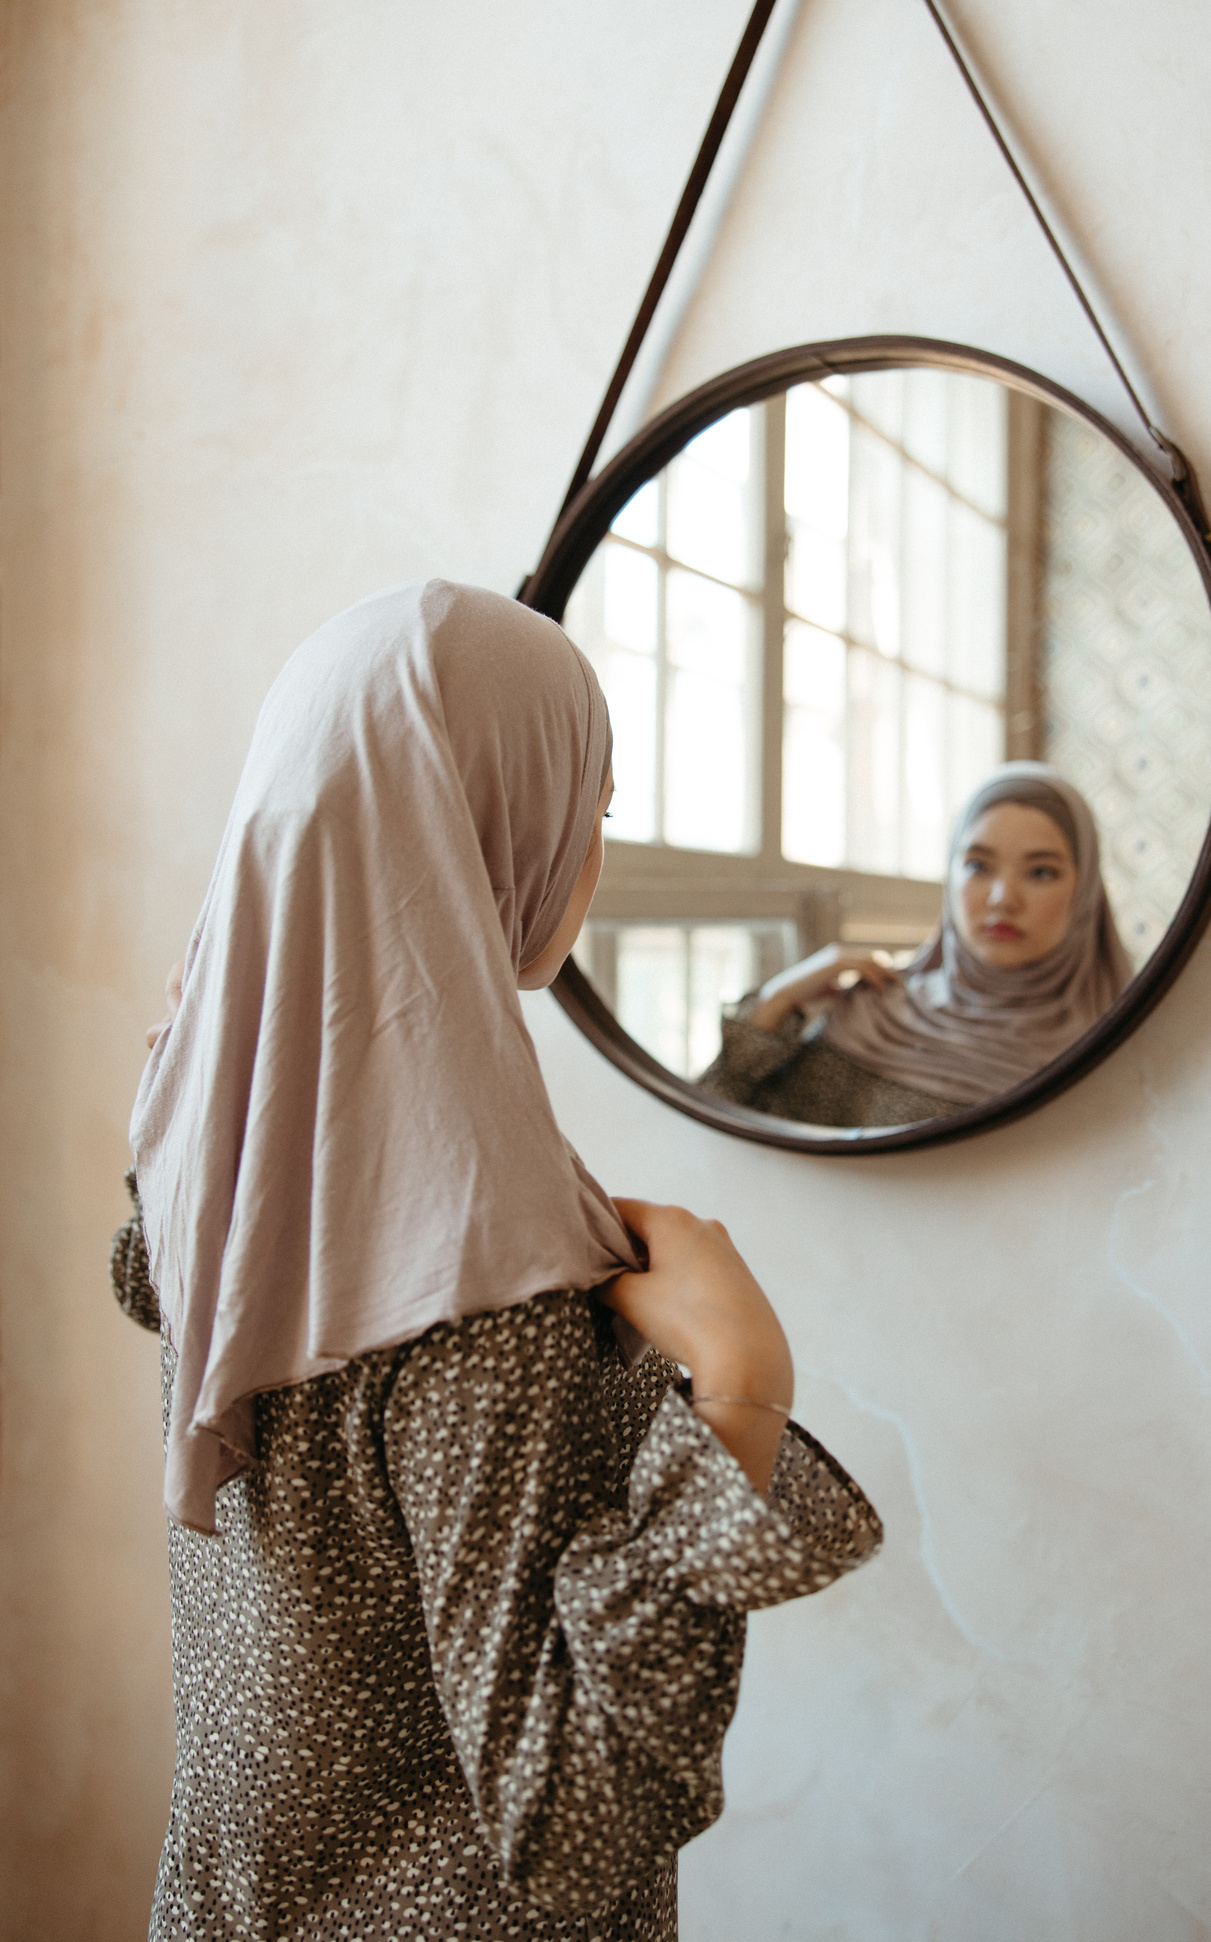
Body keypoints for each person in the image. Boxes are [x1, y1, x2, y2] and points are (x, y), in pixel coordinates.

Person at [112, 580, 881, 1942]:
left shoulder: (213, 1169)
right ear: (490, 823)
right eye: (585, 801)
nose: (591, 846)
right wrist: (742, 1386)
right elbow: (573, 1826)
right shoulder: (483, 1294)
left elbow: (151, 1280)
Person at [699, 762, 1133, 1129]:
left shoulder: (1127, 1051)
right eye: (978, 865)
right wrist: (778, 1001)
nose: (1003, 898)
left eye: (1040, 873)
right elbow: (718, 1151)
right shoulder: (877, 1017)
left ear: (1086, 892)